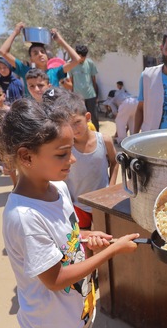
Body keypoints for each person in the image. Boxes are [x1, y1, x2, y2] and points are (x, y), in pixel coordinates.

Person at [0, 98, 138, 328]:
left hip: (75, 312)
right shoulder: (24, 217)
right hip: (51, 326)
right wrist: (112, 251)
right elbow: (55, 279)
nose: (72, 160)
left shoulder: (57, 187)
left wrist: (89, 238)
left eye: (71, 149)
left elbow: (68, 234)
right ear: (26, 156)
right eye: (61, 153)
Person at [44, 88, 118, 229]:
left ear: (88, 117)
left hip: (101, 203)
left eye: (77, 122)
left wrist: (111, 188)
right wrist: (67, 199)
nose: (73, 129)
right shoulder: (65, 148)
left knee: (103, 236)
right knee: (83, 239)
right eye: (68, 125)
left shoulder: (104, 140)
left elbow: (115, 163)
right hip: (77, 204)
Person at [0, 22, 82, 98]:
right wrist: (15, 32)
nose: (40, 54)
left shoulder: (55, 72)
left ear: (47, 56)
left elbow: (77, 59)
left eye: (42, 52)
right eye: (35, 53)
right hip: (34, 113)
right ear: (31, 60)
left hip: (52, 112)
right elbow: (3, 51)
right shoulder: (26, 71)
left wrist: (60, 41)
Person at [68, 44, 100, 131]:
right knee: (80, 117)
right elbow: (71, 82)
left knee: (94, 117)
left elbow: (93, 79)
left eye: (84, 57)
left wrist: (96, 94)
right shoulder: (70, 64)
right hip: (78, 97)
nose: (82, 59)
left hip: (90, 95)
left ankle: (97, 134)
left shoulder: (90, 63)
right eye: (80, 56)